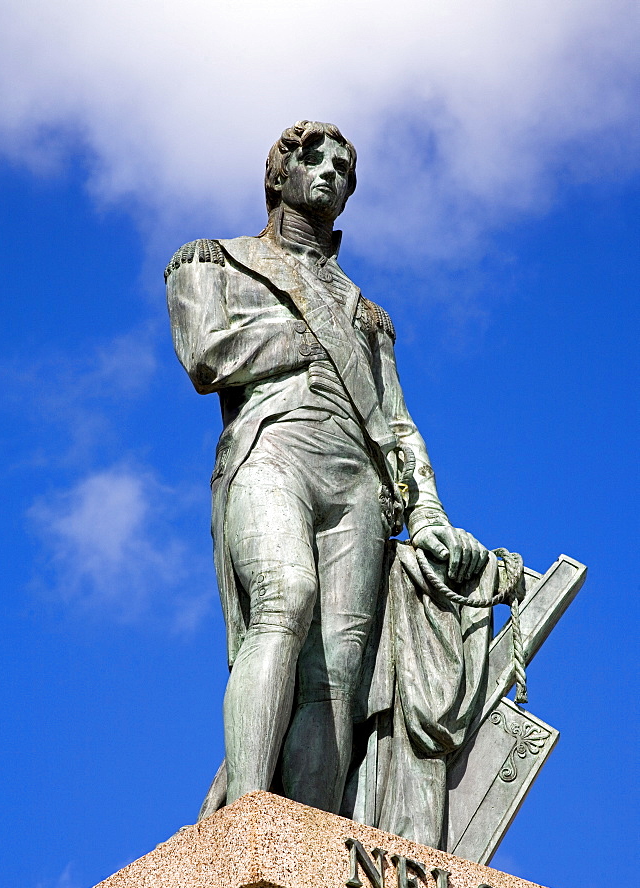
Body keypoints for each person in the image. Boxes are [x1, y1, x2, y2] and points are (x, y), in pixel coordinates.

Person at [166, 121, 492, 845]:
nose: (329, 172)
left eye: (344, 167)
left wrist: (430, 513)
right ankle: (246, 827)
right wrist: (303, 338)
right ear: (276, 174)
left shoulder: (367, 313)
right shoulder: (215, 261)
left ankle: (307, 849)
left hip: (361, 489)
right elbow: (205, 352)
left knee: (338, 678)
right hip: (273, 446)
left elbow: (399, 424)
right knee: (286, 597)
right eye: (311, 157)